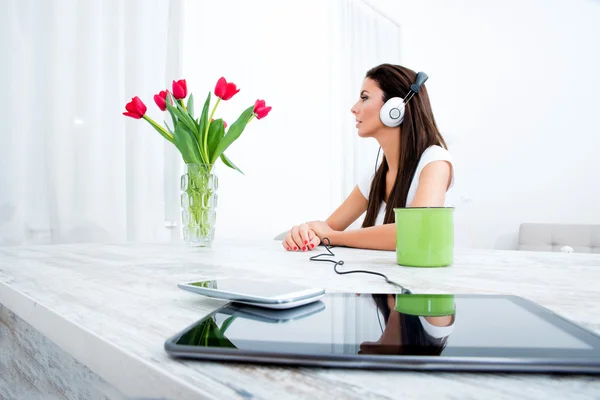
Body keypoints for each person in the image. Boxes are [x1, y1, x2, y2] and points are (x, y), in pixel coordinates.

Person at [282, 63, 454, 252]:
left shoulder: (435, 162)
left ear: (394, 108)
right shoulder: (376, 178)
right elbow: (326, 229)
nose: (354, 108)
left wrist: (332, 237)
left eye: (364, 98)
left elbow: (415, 232)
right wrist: (304, 233)